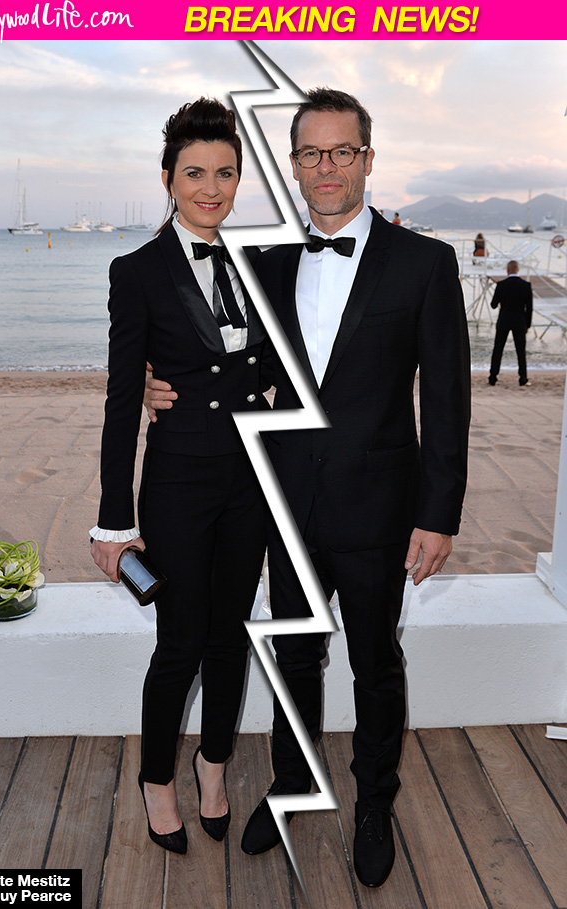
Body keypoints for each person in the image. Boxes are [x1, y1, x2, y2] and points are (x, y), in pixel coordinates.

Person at [146, 88, 470, 888]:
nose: (327, 167)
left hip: (379, 506)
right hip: (284, 506)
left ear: (368, 158)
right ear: (292, 164)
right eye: (311, 153)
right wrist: (157, 383)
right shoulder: (261, 264)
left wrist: (438, 514)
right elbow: (211, 350)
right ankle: (291, 784)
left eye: (342, 151)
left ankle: (373, 804)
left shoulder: (425, 263)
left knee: (375, 663)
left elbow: (448, 398)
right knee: (293, 655)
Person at [90, 98, 271, 856]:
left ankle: (214, 763)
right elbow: (121, 397)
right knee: (180, 642)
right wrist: (113, 519)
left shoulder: (264, 262)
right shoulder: (136, 271)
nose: (210, 188)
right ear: (167, 178)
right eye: (194, 173)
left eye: (224, 173)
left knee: (231, 637)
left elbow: (284, 362)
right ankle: (157, 778)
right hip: (176, 485)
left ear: (239, 180)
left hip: (250, 482)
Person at [488, 259, 532, 387]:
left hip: (504, 320)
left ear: (507, 270)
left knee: (498, 349)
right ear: (518, 270)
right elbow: (529, 308)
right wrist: (527, 324)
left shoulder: (501, 285)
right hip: (519, 321)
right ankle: (523, 378)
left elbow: (493, 305)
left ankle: (493, 377)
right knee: (520, 351)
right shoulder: (526, 285)